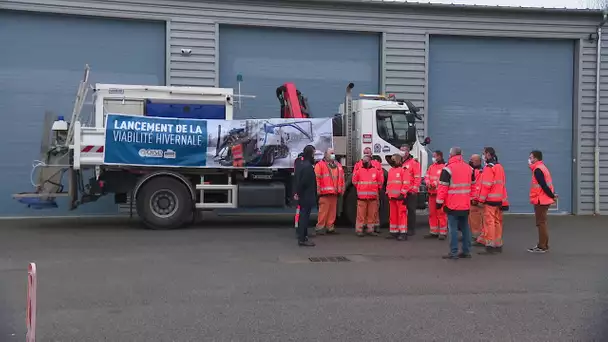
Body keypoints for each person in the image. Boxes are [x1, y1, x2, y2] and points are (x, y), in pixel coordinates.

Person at [436, 147, 473, 260]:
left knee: (452, 229)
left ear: (451, 154)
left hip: (452, 204)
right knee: (465, 228)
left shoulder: (448, 169)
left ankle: (454, 252)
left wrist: (439, 202)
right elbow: (474, 185)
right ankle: (466, 251)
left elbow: (443, 188)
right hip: (465, 204)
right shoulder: (469, 168)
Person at [474, 147, 508, 255]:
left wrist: (481, 200)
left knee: (489, 223)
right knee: (497, 222)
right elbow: (502, 185)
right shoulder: (499, 167)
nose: (483, 156)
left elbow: (486, 186)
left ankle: (490, 245)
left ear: (488, 154)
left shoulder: (489, 168)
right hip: (498, 200)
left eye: (483, 154)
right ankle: (498, 244)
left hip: (490, 200)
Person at [527, 150, 557, 253]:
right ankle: (544, 244)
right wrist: (552, 196)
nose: (529, 160)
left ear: (536, 158)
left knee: (541, 223)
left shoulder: (538, 170)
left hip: (541, 200)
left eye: (531, 158)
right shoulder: (542, 168)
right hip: (544, 199)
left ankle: (542, 246)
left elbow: (544, 186)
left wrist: (552, 196)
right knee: (542, 222)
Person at [314, 148, 345, 235]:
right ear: (325, 154)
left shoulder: (338, 165)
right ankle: (320, 228)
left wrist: (342, 189)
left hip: (334, 193)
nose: (333, 155)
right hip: (324, 193)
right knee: (323, 211)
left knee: (332, 212)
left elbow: (342, 178)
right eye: (331, 153)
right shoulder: (320, 165)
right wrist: (318, 190)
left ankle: (330, 227)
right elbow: (317, 179)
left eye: (333, 153)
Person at [352, 155, 382, 237]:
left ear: (370, 161)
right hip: (362, 198)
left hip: (372, 198)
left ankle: (370, 230)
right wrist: (360, 188)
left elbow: (380, 182)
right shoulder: (359, 171)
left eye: (366, 161)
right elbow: (354, 181)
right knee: (360, 215)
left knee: (371, 215)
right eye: (363, 161)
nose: (364, 163)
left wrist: (375, 189)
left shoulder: (375, 171)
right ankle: (359, 230)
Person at [294, 145, 316, 247]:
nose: (314, 156)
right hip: (306, 196)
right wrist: (298, 193)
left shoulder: (303, 164)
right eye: (313, 154)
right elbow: (303, 183)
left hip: (304, 195)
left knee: (304, 216)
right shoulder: (308, 167)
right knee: (304, 217)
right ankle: (302, 239)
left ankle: (304, 235)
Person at [385, 153, 410, 241]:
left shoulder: (403, 170)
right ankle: (393, 232)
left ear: (398, 160)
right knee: (393, 215)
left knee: (401, 215)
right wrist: (387, 192)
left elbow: (406, 184)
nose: (391, 160)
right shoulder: (391, 170)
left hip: (400, 197)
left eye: (393, 159)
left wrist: (402, 194)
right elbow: (389, 183)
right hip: (392, 197)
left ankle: (403, 233)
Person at [424, 150, 448, 240]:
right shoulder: (431, 167)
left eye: (435, 156)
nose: (433, 158)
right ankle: (433, 231)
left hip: (440, 194)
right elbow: (427, 176)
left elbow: (442, 179)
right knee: (432, 213)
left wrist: (433, 184)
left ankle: (443, 232)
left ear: (440, 156)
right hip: (431, 194)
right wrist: (428, 183)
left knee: (441, 213)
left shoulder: (445, 167)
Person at [400, 144, 421, 236]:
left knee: (411, 210)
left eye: (404, 150)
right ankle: (402, 228)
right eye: (401, 149)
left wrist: (414, 190)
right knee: (402, 211)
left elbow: (417, 178)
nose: (402, 151)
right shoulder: (399, 162)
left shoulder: (414, 163)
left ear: (408, 152)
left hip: (411, 192)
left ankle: (411, 229)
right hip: (401, 191)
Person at [468, 154, 484, 242]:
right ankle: (475, 235)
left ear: (477, 161)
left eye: (472, 160)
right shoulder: (474, 171)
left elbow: (477, 186)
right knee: (472, 219)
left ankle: (477, 236)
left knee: (476, 219)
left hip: (475, 199)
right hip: (472, 199)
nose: (470, 161)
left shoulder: (479, 172)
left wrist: (475, 198)